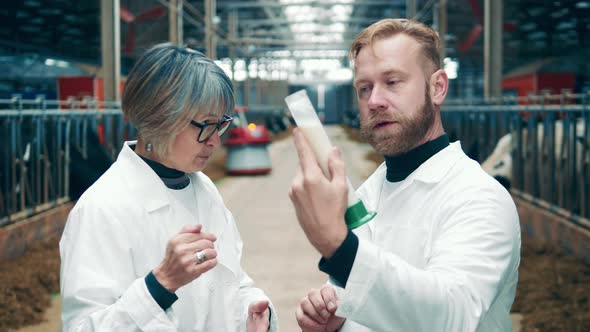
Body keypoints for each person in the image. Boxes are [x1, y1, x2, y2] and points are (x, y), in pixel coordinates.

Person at [289, 19, 520, 331]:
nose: (374, 101)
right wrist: (336, 324)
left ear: (437, 87)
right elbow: (378, 307)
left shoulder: (478, 197)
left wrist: (339, 248)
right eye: (364, 88)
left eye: (393, 82)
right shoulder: (370, 192)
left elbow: (454, 316)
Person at [60, 43, 278, 332]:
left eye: (220, 125)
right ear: (159, 118)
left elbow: (230, 282)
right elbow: (82, 328)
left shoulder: (204, 189)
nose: (215, 141)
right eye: (205, 126)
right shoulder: (102, 208)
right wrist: (160, 285)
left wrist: (254, 312)